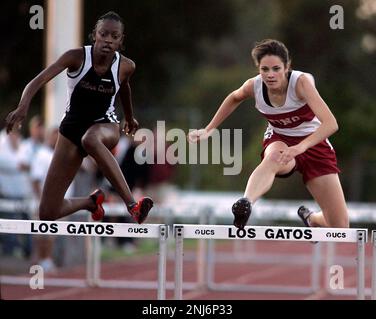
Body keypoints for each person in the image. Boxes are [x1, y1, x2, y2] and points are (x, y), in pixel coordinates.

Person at [5, 11, 153, 223]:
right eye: (104, 34)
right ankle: (90, 202)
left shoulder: (126, 66)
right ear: (95, 35)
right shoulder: (76, 57)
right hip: (72, 129)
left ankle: (133, 206)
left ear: (121, 41)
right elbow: (38, 80)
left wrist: (129, 118)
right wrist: (22, 107)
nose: (108, 41)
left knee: (90, 139)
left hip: (105, 126)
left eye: (114, 36)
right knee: (47, 213)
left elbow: (124, 88)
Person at [188, 39, 349, 230]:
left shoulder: (301, 83)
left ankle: (313, 219)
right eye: (264, 69)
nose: (270, 75)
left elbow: (331, 124)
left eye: (276, 69)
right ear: (258, 69)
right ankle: (246, 203)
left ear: (286, 67)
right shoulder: (254, 86)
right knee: (274, 157)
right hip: (280, 139)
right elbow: (233, 97)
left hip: (313, 143)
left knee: (340, 228)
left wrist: (299, 148)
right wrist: (208, 129)